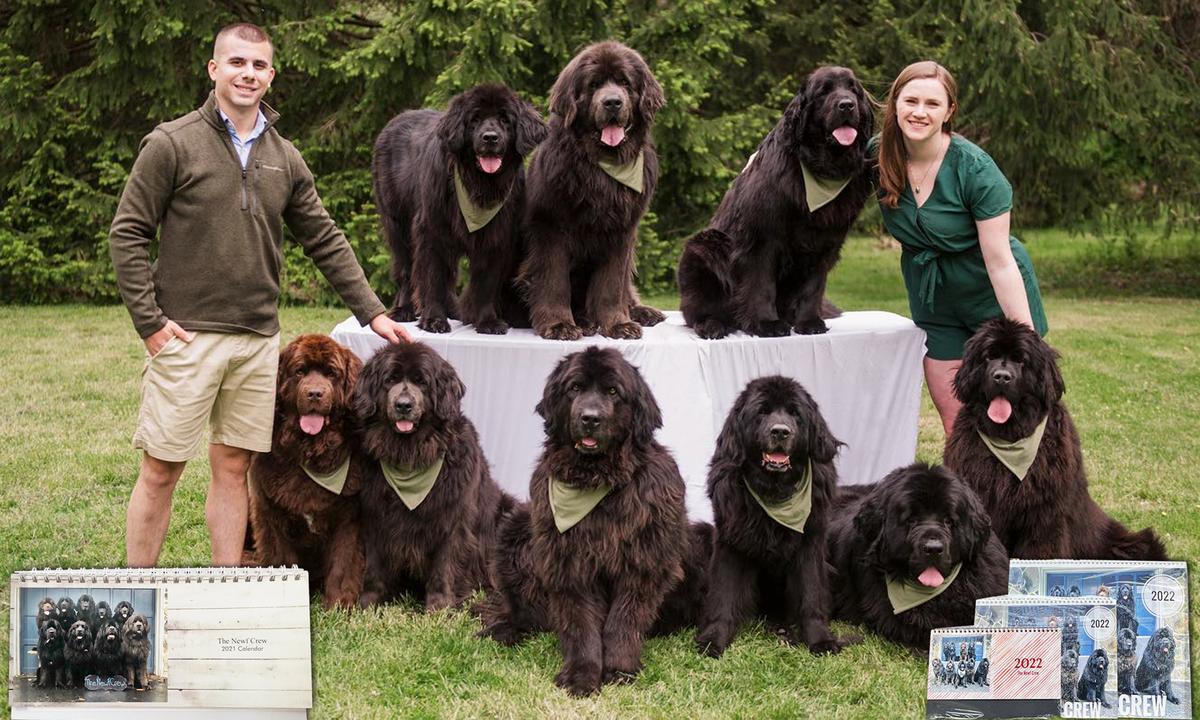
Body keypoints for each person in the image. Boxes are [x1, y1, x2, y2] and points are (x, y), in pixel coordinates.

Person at [109, 22, 410, 567]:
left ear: (270, 76)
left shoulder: (284, 157)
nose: (247, 73)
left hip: (256, 343)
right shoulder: (171, 143)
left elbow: (323, 236)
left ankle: (226, 585)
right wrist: (151, 324)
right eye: (236, 62)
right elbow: (127, 232)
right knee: (160, 469)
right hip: (186, 337)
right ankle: (137, 588)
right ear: (215, 69)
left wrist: (373, 313)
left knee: (233, 467)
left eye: (258, 66)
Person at [872, 61, 1048, 435]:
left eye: (932, 104)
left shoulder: (976, 170)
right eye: (911, 100)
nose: (920, 112)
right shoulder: (877, 156)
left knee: (1017, 419)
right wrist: (760, 159)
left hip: (990, 293)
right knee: (957, 421)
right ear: (895, 103)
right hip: (934, 299)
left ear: (949, 111)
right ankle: (966, 493)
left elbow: (1000, 262)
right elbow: (815, 161)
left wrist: (1027, 340)